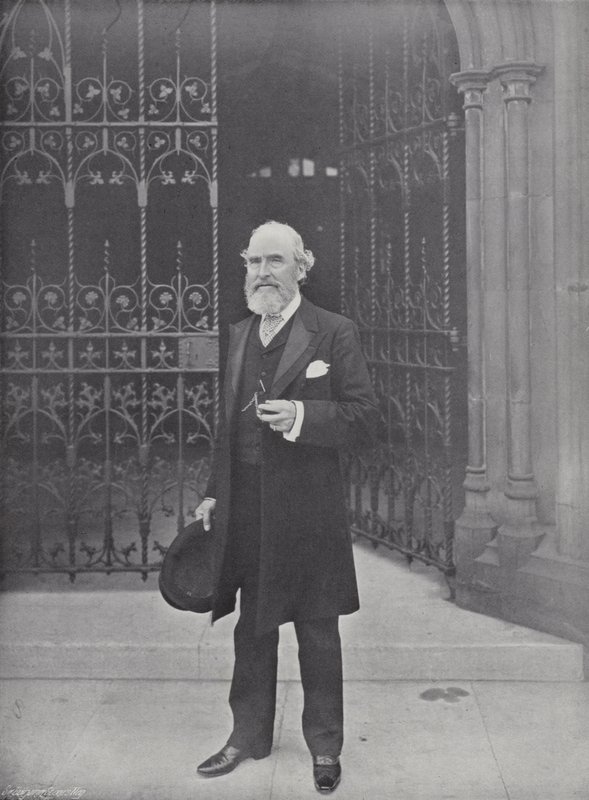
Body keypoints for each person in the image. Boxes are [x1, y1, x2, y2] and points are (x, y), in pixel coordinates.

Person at [194, 220, 379, 793]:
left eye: (275, 261)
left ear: (302, 266)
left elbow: (365, 417)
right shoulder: (240, 333)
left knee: (316, 629)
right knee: (252, 627)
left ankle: (325, 745)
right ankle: (246, 735)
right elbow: (226, 426)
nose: (262, 273)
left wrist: (302, 416)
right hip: (247, 508)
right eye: (254, 262)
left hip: (309, 511)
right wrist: (214, 491)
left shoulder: (334, 331)